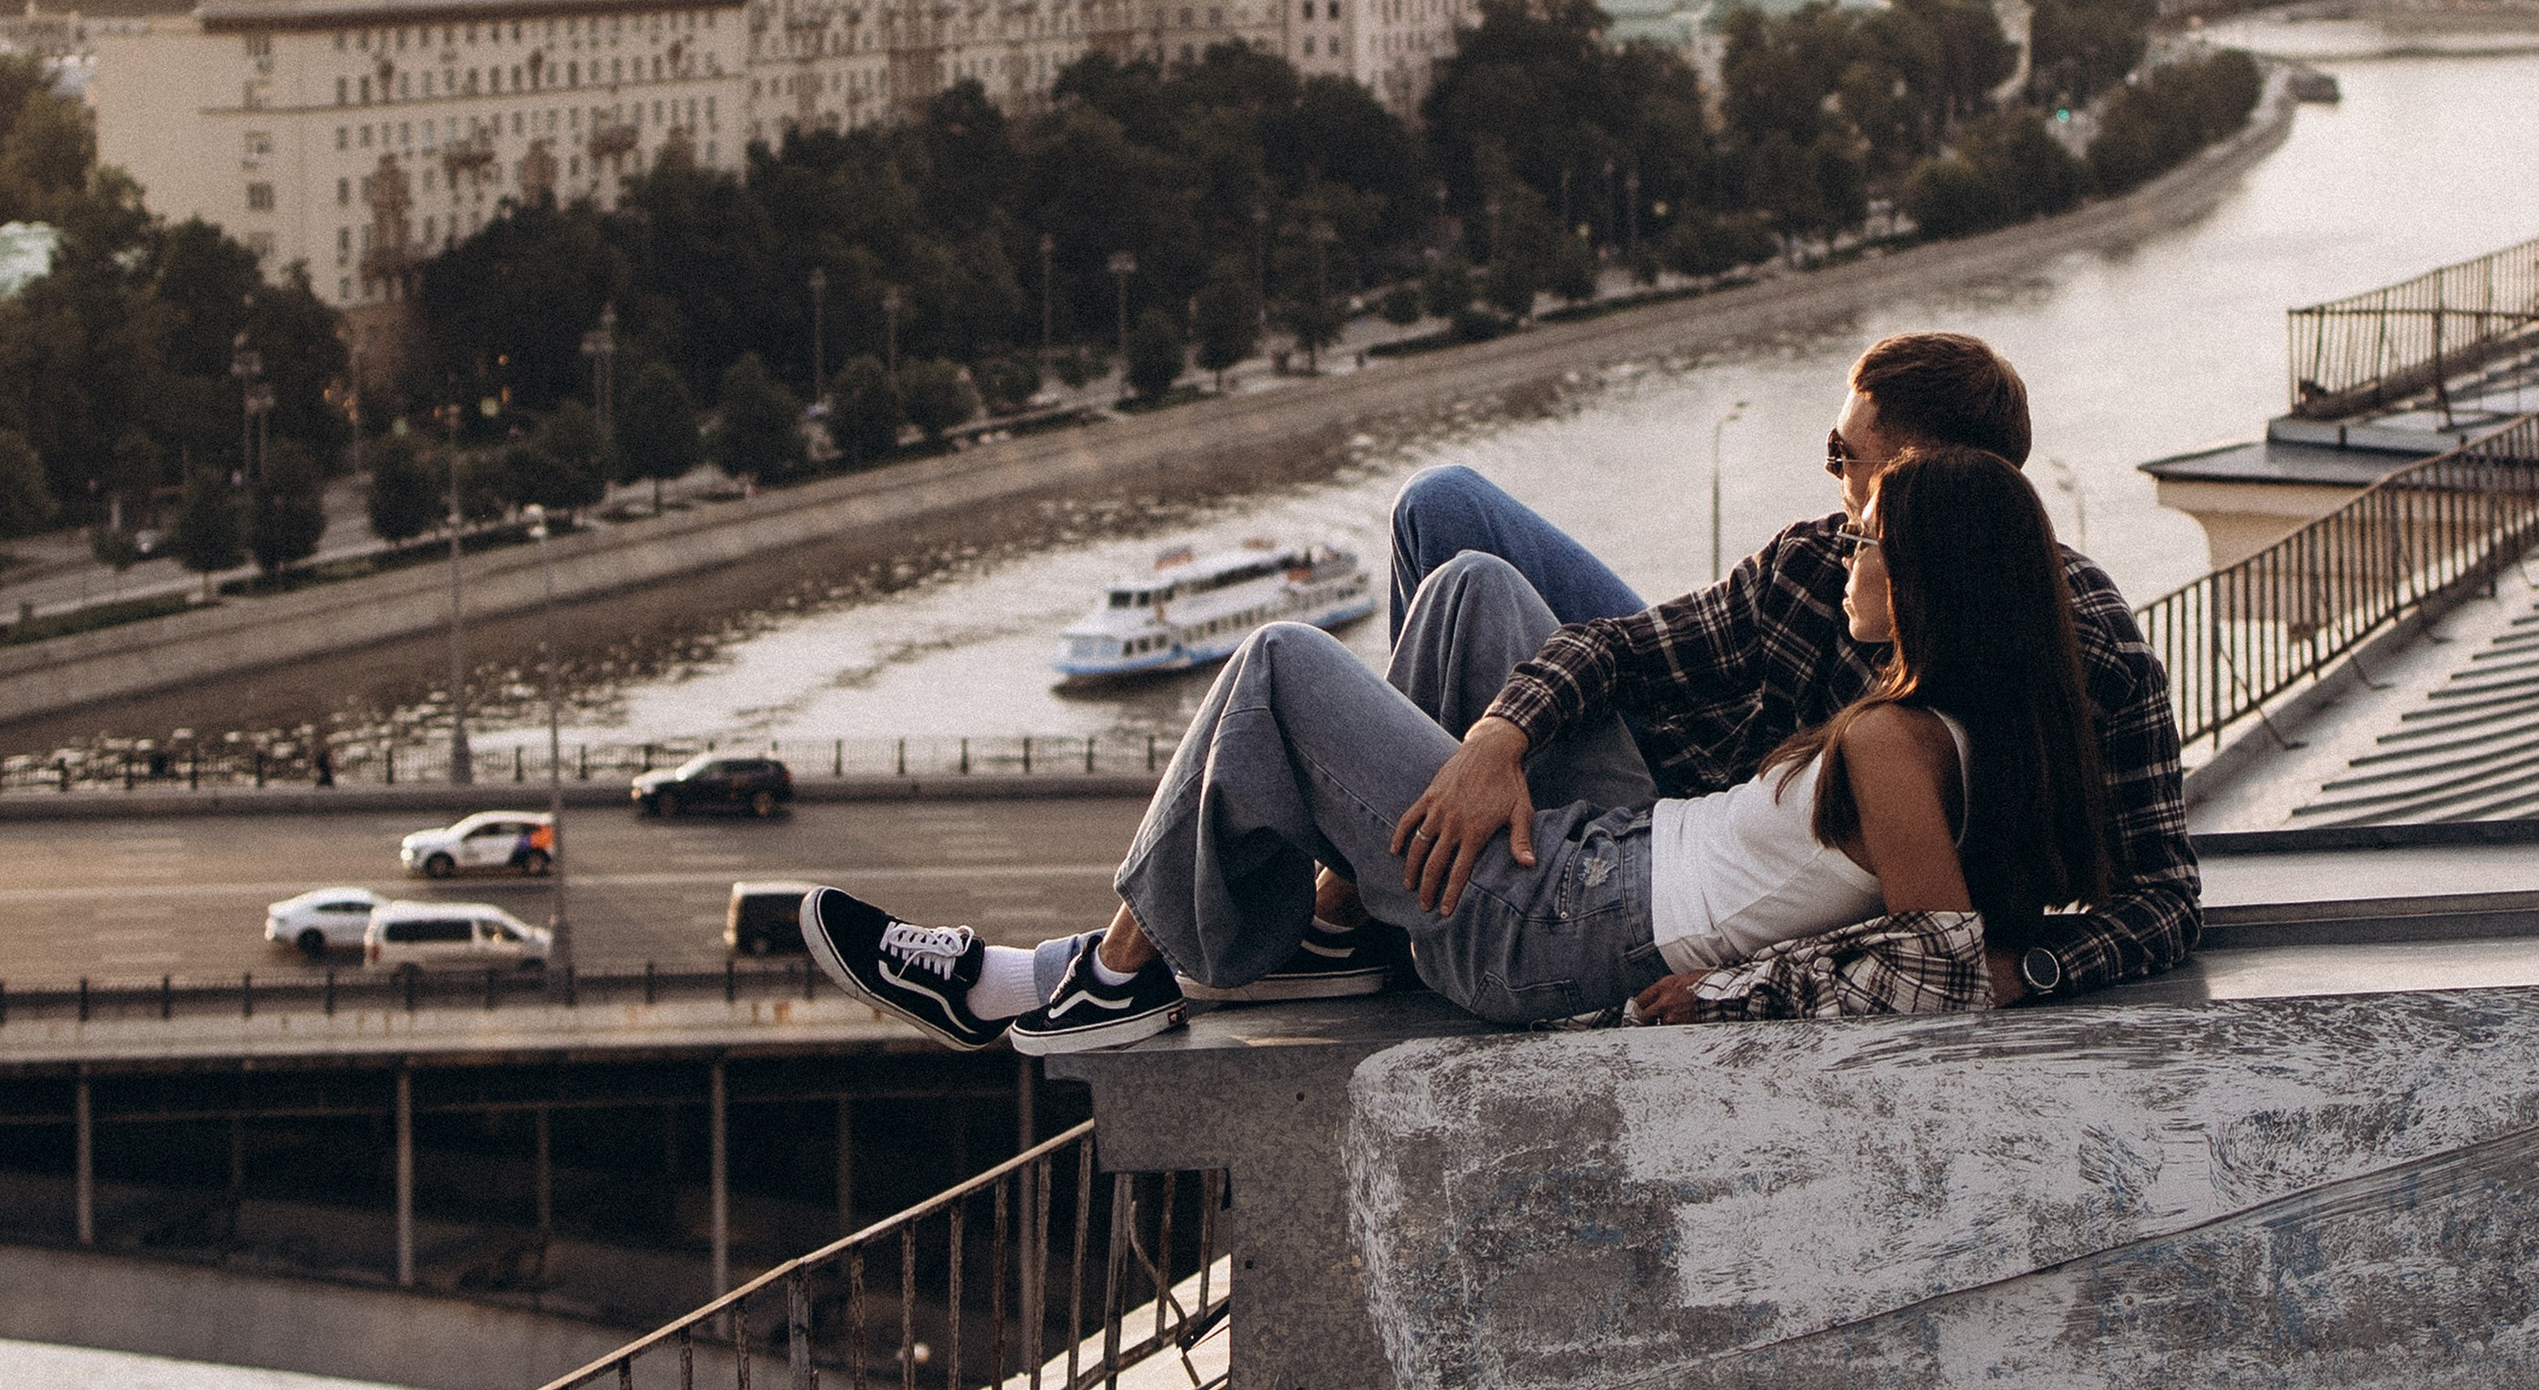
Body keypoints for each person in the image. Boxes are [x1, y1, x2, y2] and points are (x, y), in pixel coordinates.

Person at [799, 443, 2112, 1055]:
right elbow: (1955, 944)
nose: (1848, 552)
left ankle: (1102, 979)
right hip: (1618, 857)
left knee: (1278, 664)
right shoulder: (1948, 727)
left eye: (1871, 538)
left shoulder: (1893, 743)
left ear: (1931, 575)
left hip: (1566, 931)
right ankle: (1335, 935)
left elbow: (1946, 967)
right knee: (1470, 583)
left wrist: (1725, 994)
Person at [1372, 327, 2195, 1012]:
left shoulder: (2084, 649)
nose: (1834, 481)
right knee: (1445, 511)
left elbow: (2160, 898)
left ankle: (1365, 884)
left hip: (1717, 899)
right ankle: (1374, 880)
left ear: (1927, 478)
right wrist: (1496, 738)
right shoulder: (1817, 562)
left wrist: (2026, 971)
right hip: (1695, 812)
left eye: (1846, 456)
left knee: (1370, 639)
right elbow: (1617, 646)